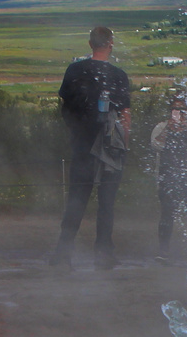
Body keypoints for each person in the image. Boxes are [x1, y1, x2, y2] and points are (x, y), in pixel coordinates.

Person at [51, 25, 130, 270]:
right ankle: (103, 254)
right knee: (106, 202)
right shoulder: (118, 76)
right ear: (110, 44)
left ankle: (63, 254)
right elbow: (125, 116)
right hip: (111, 147)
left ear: (90, 44)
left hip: (82, 143)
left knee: (76, 199)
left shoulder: (75, 70)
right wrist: (124, 144)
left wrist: (76, 133)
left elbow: (66, 107)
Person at [150, 93, 187, 260]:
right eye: (175, 109)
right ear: (170, 111)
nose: (179, 112)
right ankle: (164, 250)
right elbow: (156, 145)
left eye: (182, 109)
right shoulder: (161, 127)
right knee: (167, 213)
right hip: (168, 176)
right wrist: (169, 129)